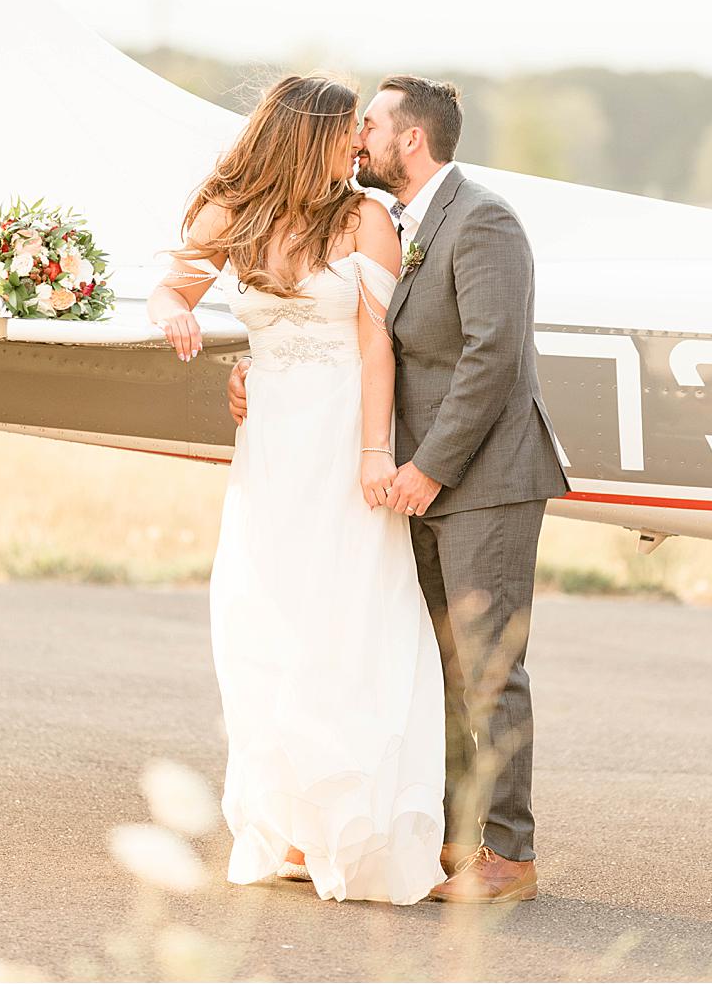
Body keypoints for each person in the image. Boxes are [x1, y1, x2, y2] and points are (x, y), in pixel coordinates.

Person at [229, 75, 571, 904]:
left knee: (489, 666)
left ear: (409, 140)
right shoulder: (396, 224)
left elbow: (494, 358)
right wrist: (261, 374)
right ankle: (454, 837)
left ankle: (511, 856)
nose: (356, 139)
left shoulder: (483, 219)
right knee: (431, 664)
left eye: (370, 125)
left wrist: (426, 467)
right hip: (408, 483)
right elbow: (365, 341)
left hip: (482, 478)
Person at [147, 74, 446, 906]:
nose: (359, 141)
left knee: (347, 613)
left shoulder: (365, 217)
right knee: (263, 612)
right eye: (348, 128)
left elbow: (376, 346)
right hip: (271, 441)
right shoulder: (232, 211)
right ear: (307, 134)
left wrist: (373, 452)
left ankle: (349, 824)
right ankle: (281, 824)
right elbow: (172, 282)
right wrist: (172, 310)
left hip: (343, 436)